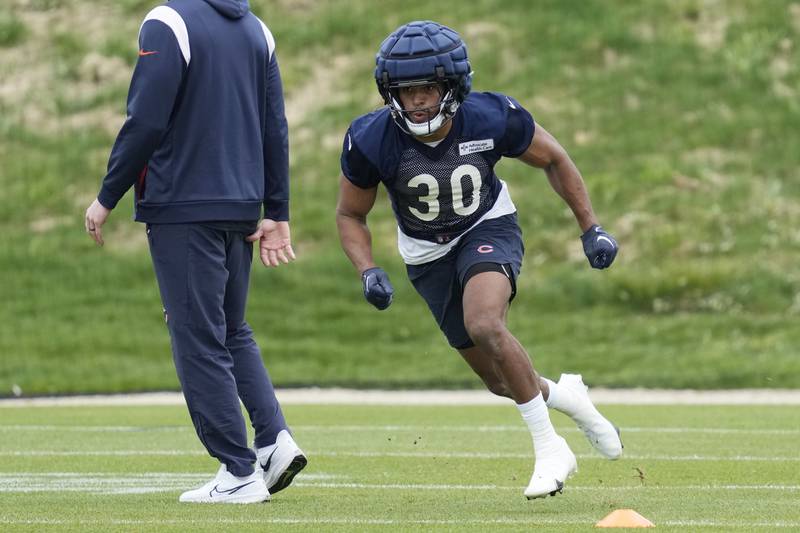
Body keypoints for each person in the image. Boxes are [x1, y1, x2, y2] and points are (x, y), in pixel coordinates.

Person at [336, 21, 622, 500]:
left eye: (427, 88)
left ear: (452, 86)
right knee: (498, 380)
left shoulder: (490, 116)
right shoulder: (371, 139)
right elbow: (350, 213)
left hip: (486, 226)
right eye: (407, 92)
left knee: (486, 323)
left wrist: (590, 226)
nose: (419, 101)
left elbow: (553, 158)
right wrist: (367, 269)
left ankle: (550, 449)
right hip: (426, 253)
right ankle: (570, 397)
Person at [84, 0, 306, 504]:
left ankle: (238, 470)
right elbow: (276, 128)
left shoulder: (169, 20)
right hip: (241, 206)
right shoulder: (257, 29)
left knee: (197, 338)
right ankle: (273, 440)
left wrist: (106, 196)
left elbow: (145, 121)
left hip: (183, 205)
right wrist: (277, 210)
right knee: (231, 330)